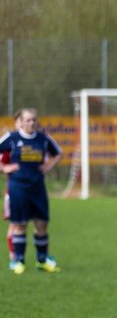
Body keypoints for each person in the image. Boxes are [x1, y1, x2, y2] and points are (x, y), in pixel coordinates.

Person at [1, 108, 64, 275]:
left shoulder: (43, 139)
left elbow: (57, 153)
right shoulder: (13, 138)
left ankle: (42, 260)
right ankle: (18, 260)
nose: (32, 123)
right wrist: (4, 167)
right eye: (28, 120)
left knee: (42, 224)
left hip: (37, 188)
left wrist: (49, 165)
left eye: (34, 120)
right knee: (20, 225)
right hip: (18, 188)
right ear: (21, 121)